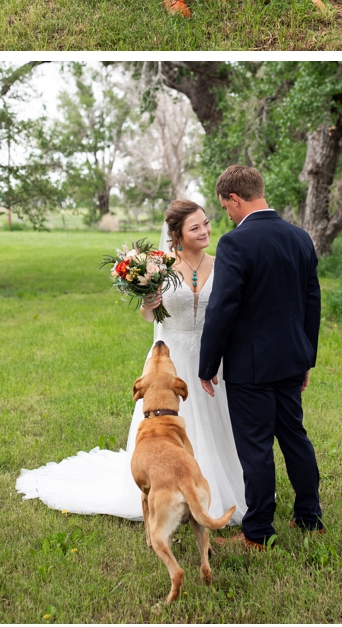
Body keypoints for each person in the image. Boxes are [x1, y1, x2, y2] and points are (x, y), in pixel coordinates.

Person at [14, 201, 246, 525]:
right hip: (170, 359)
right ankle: (168, 487)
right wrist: (148, 300)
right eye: (196, 227)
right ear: (177, 236)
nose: (206, 231)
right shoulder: (161, 268)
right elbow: (149, 314)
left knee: (217, 425)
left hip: (210, 359)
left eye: (206, 223)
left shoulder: (222, 265)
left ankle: (217, 488)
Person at [197, 165, 323, 549]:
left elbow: (223, 309)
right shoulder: (300, 238)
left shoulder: (236, 243)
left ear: (236, 198)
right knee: (294, 438)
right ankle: (310, 518)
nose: (227, 215)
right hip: (290, 360)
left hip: (251, 368)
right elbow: (311, 304)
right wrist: (306, 359)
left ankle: (258, 532)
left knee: (255, 448)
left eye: (226, 207)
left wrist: (207, 365)